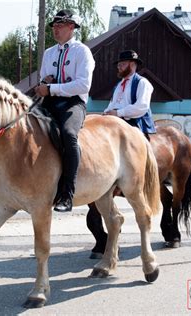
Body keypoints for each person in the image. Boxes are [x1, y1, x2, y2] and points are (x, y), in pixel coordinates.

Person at [34, 9, 95, 213]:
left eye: (60, 26)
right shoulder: (48, 53)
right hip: (50, 103)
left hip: (73, 104)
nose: (55, 29)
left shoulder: (82, 51)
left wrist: (51, 88)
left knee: (69, 135)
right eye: (54, 26)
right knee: (26, 127)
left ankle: (67, 194)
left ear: (72, 27)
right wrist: (44, 83)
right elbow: (44, 79)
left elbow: (83, 85)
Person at [103, 50, 156, 138]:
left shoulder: (142, 82)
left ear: (132, 65)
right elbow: (112, 104)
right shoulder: (118, 85)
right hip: (118, 121)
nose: (119, 67)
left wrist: (118, 113)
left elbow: (141, 106)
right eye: (118, 65)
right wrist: (106, 113)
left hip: (136, 123)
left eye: (122, 64)